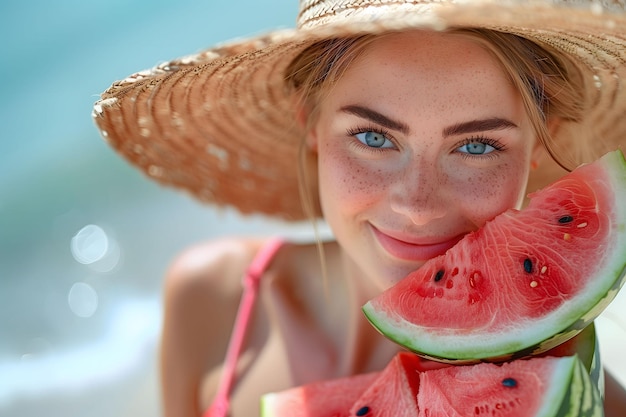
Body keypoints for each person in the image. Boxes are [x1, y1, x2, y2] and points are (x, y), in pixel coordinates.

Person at [92, 1, 626, 416]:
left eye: (477, 146)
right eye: (373, 136)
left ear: (539, 146)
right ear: (311, 125)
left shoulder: (561, 379)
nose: (417, 205)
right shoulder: (211, 298)